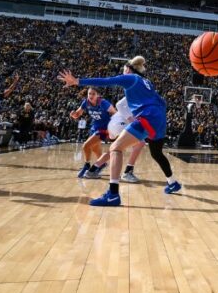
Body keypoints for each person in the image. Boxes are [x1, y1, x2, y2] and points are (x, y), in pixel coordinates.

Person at [57, 55, 180, 207]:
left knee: (115, 148)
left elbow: (106, 81)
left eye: (123, 69)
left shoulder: (131, 78)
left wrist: (77, 81)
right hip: (160, 119)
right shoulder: (146, 82)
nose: (122, 72)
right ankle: (173, 182)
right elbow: (155, 100)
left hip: (148, 118)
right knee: (156, 153)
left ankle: (113, 195)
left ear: (128, 69)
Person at [82, 96, 145, 183]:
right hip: (119, 123)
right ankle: (128, 172)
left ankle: (92, 170)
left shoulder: (143, 99)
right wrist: (130, 119)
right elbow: (119, 104)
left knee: (115, 149)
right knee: (140, 142)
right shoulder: (137, 93)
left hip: (115, 123)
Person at [69, 87, 116, 178]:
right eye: (89, 94)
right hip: (95, 127)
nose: (91, 96)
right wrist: (73, 114)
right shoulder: (85, 102)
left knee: (86, 146)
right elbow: (77, 115)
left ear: (98, 95)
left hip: (104, 128)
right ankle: (101, 164)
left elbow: (115, 113)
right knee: (95, 148)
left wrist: (112, 127)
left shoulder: (103, 103)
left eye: (93, 94)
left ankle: (87, 165)